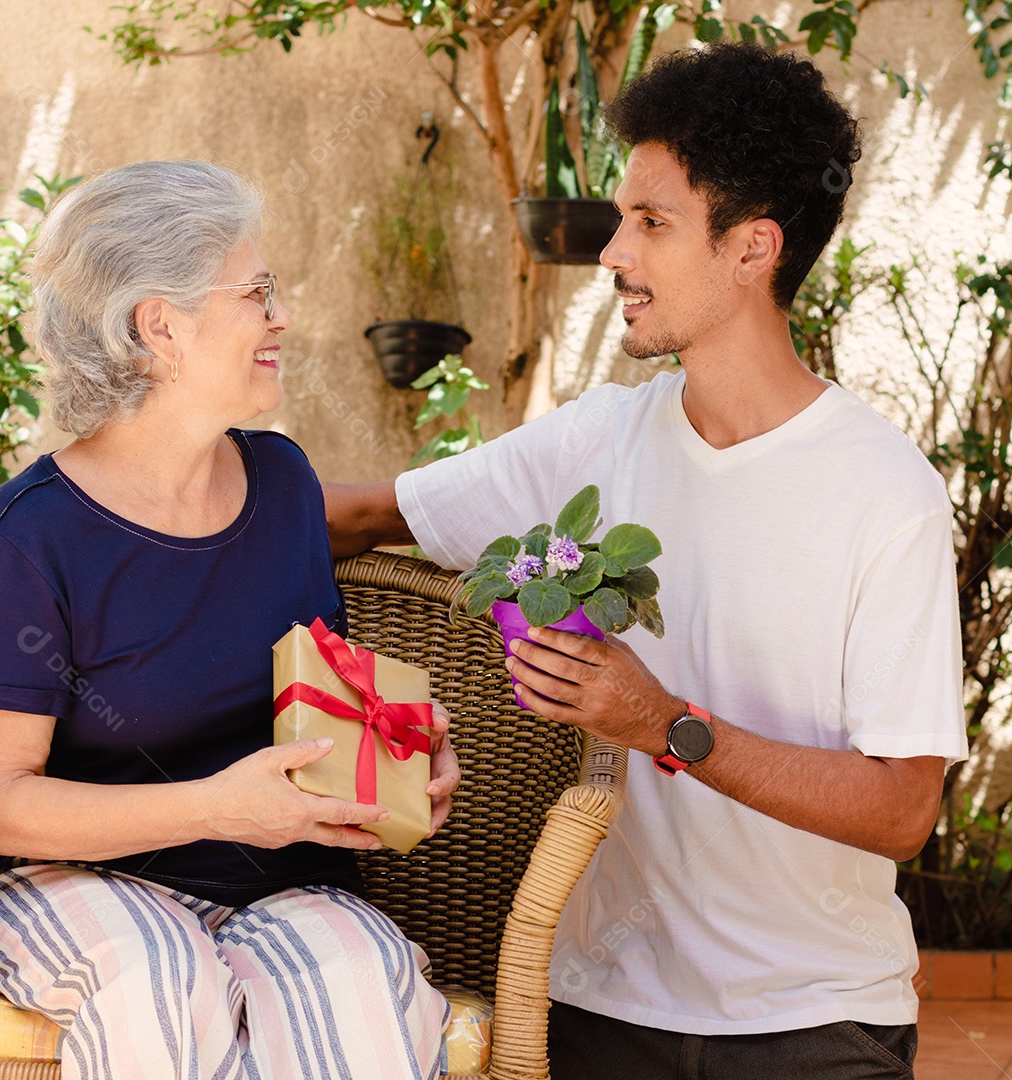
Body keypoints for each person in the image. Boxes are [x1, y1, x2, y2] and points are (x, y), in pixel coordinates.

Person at [325, 43, 968, 1080]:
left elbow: (901, 810)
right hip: (595, 1010)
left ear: (752, 250)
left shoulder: (884, 492)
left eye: (652, 222)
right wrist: (116, 498)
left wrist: (663, 726)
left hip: (813, 1030)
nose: (613, 251)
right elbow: (359, 515)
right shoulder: (601, 439)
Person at [0, 159, 457, 1080]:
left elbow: (329, 685)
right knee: (163, 988)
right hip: (84, 881)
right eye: (258, 292)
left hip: (287, 883)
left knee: (363, 993)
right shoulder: (32, 537)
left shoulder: (285, 483)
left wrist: (404, 760)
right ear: (159, 326)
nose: (282, 316)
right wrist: (219, 809)